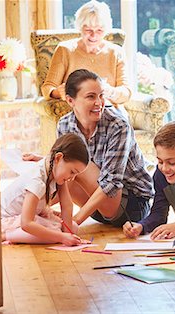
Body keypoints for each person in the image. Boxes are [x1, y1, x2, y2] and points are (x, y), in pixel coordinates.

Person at [26, 69, 153, 227]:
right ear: (70, 101)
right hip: (97, 207)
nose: (99, 103)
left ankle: (39, 214)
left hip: (132, 207)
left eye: (101, 95)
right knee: (59, 170)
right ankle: (28, 213)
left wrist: (75, 221)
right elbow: (60, 173)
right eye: (91, 97)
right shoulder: (65, 124)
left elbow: (111, 183)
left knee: (73, 164)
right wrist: (45, 162)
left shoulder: (118, 125)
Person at [0, 133, 90, 245]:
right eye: (72, 172)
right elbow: (26, 223)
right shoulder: (36, 180)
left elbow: (66, 206)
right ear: (58, 158)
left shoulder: (55, 170)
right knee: (54, 233)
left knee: (73, 227)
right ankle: (1, 235)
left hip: (29, 215)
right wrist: (62, 238)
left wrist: (68, 234)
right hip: (7, 219)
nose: (72, 178)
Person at [41, 0, 131, 111]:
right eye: (88, 30)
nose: (93, 35)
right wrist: (58, 92)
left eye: (99, 30)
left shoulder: (116, 52)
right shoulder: (64, 50)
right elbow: (47, 88)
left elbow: (126, 93)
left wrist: (110, 91)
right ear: (79, 27)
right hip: (77, 114)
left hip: (109, 114)